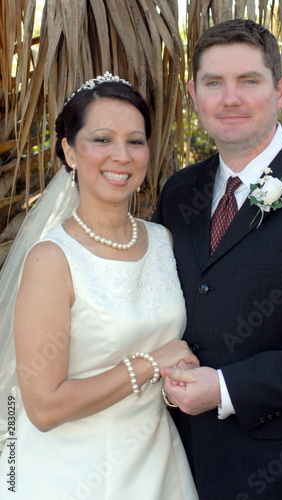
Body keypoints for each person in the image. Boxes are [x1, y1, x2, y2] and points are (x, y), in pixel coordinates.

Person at [153, 18, 282, 500]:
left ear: (281, 90)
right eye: (214, 83)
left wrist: (228, 388)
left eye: (248, 81)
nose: (229, 98)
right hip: (175, 463)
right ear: (194, 94)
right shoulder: (178, 193)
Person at [0, 73, 199, 500]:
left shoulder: (162, 240)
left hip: (158, 462)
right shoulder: (52, 260)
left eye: (135, 140)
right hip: (73, 473)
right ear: (70, 151)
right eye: (102, 139)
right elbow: (43, 407)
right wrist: (152, 364)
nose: (122, 156)